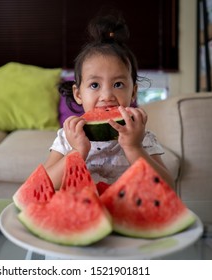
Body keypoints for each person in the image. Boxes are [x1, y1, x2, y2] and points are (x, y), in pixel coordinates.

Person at [44, 12, 174, 190]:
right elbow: (45, 185)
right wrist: (76, 152)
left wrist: (133, 147)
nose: (107, 96)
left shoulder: (142, 138)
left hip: (128, 214)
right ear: (78, 94)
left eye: (118, 84)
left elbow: (168, 188)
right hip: (82, 214)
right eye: (95, 85)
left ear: (133, 92)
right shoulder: (67, 138)